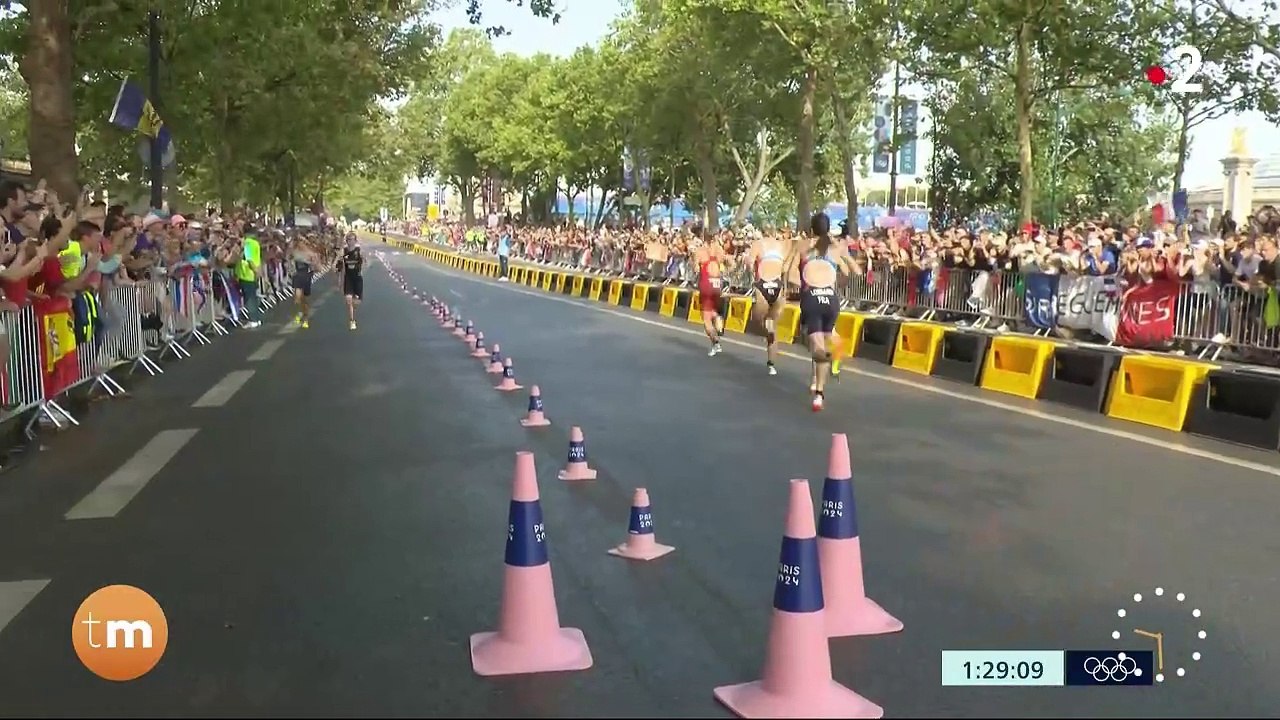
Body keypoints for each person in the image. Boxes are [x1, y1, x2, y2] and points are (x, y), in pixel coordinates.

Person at [798, 212, 856, 411]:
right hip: (830, 299)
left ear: (811, 229)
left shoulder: (805, 247)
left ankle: (823, 371)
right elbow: (850, 272)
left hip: (811, 298)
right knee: (826, 335)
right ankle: (819, 384)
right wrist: (835, 282)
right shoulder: (834, 249)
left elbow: (793, 272)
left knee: (815, 344)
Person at [747, 229, 792, 375]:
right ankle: (771, 364)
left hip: (763, 283)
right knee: (772, 324)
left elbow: (749, 263)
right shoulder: (782, 245)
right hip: (777, 285)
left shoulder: (758, 244)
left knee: (757, 320)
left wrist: (753, 273)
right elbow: (785, 268)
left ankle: (767, 330)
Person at [694, 226, 730, 356]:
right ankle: (718, 319)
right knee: (713, 309)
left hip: (706, 284)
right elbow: (729, 263)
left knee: (706, 319)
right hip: (717, 284)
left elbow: (696, 270)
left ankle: (716, 343)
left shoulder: (699, 251)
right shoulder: (719, 249)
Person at [290, 238, 319, 328]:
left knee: (304, 300)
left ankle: (305, 317)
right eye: (299, 243)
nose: (300, 244)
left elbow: (317, 266)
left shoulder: (310, 254)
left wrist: (313, 265)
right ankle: (300, 313)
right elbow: (288, 258)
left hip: (306, 276)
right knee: (297, 298)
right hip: (297, 276)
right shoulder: (294, 252)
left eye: (302, 243)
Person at [338, 231, 364, 330]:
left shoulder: (359, 251)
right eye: (348, 240)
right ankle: (352, 320)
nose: (350, 242)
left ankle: (354, 306)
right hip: (348, 278)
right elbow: (338, 264)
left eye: (352, 240)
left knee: (356, 302)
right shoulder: (343, 251)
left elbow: (366, 261)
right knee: (348, 300)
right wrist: (339, 278)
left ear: (355, 241)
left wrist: (362, 269)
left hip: (357, 278)